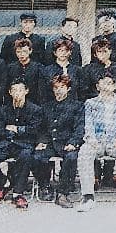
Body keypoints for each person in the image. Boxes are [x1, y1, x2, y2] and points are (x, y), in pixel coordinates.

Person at [76, 73, 116, 212]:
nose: (106, 86)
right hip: (96, 141)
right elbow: (88, 123)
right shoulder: (90, 103)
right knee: (84, 151)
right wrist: (91, 138)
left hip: (114, 141)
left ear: (115, 86)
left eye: (110, 83)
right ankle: (88, 197)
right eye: (103, 83)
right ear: (98, 86)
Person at [0, 79, 42, 209]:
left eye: (20, 90)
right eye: (14, 90)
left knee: (26, 157)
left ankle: (18, 193)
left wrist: (16, 129)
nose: (17, 93)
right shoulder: (2, 110)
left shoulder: (35, 109)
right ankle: (3, 183)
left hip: (24, 145)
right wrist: (16, 131)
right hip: (4, 144)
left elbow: (34, 130)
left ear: (26, 91)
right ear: (10, 92)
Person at [35, 74, 84, 207]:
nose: (58, 90)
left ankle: (63, 193)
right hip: (51, 143)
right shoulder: (46, 106)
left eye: (62, 87)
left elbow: (80, 127)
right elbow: (42, 128)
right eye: (56, 87)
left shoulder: (77, 106)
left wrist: (73, 142)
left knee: (71, 157)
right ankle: (45, 186)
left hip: (67, 142)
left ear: (68, 89)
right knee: (37, 157)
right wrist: (42, 141)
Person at [38, 38, 81, 105]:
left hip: (72, 106)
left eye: (66, 50)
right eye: (60, 50)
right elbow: (43, 93)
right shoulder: (46, 71)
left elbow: (81, 92)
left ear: (70, 52)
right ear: (55, 53)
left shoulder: (77, 70)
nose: (63, 53)